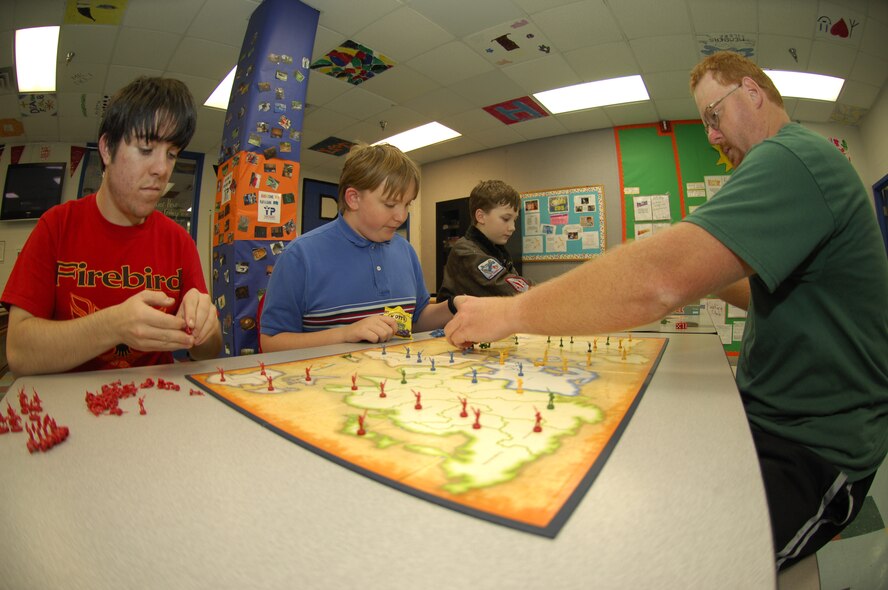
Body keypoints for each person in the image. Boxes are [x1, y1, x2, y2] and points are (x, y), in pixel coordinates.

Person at [445, 51, 888, 570]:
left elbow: (655, 281)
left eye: (713, 116)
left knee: (672, 562)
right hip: (766, 415)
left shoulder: (790, 157)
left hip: (813, 446)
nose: (712, 137)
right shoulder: (802, 161)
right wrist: (706, 277)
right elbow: (767, 293)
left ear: (752, 90)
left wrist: (507, 315)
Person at [2, 77, 222, 376]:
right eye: (146, 149)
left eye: (171, 154)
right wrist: (114, 325)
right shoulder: (57, 225)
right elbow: (18, 354)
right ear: (107, 149)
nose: (161, 169)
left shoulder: (179, 241)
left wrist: (207, 328)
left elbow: (207, 351)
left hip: (154, 401)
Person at [260, 143, 452, 351]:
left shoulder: (405, 250)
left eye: (407, 204)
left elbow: (417, 320)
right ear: (353, 198)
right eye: (390, 204)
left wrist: (454, 306)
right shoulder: (299, 256)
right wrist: (345, 334)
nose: (401, 216)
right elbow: (272, 343)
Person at [437, 180, 531, 302]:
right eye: (506, 219)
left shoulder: (497, 250)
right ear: (480, 216)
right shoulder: (465, 251)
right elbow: (509, 289)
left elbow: (516, 281)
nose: (513, 227)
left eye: (514, 220)